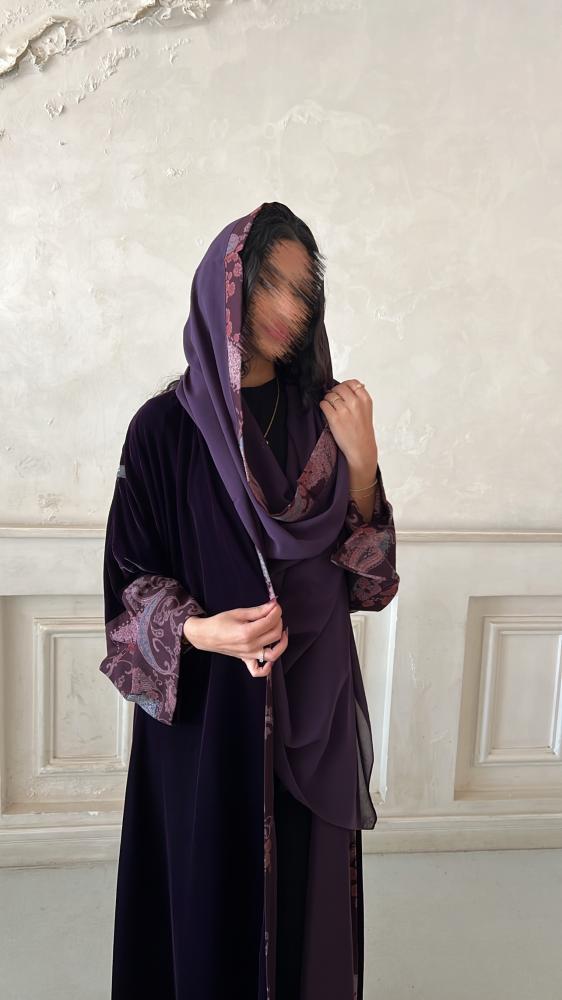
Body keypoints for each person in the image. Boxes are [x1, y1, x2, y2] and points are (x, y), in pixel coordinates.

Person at [99, 201, 400, 1000]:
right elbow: (128, 589)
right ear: (224, 286)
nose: (289, 309)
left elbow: (371, 586)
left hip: (313, 711)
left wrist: (364, 467)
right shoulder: (163, 431)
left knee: (304, 913)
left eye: (305, 292)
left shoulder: (326, 421)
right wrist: (203, 632)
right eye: (269, 283)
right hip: (210, 718)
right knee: (210, 907)